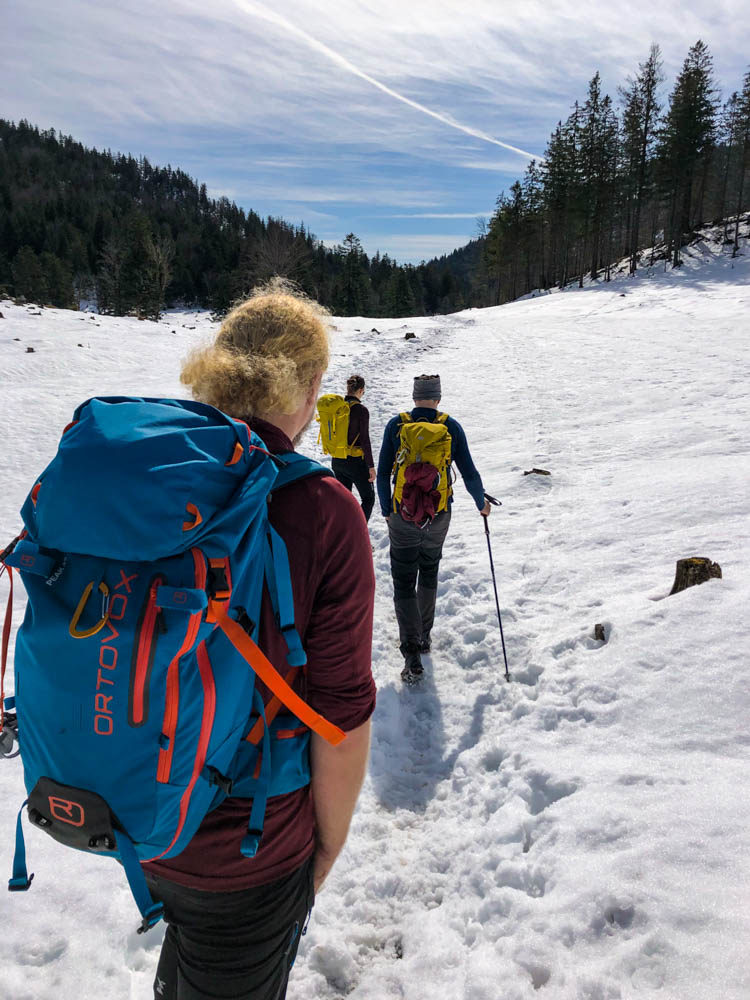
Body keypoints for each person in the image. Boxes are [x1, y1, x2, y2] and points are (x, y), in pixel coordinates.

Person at [143, 290, 376, 1000]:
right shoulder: (325, 511)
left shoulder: (158, 477)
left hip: (139, 808)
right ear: (309, 388)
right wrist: (327, 844)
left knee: (190, 955)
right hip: (252, 845)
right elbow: (339, 715)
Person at [377, 373, 490, 685]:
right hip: (438, 515)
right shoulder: (449, 426)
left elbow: (384, 470)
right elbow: (469, 471)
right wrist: (481, 502)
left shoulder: (397, 425)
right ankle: (424, 638)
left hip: (403, 514)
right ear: (437, 397)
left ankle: (411, 653)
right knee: (428, 570)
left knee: (403, 579)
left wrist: (387, 509)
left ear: (415, 398)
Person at [329, 374, 376, 523]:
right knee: (368, 499)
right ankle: (358, 536)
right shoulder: (361, 410)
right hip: (355, 462)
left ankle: (342, 538)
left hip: (337, 460)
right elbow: (365, 440)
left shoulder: (336, 408)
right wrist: (371, 466)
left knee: (343, 502)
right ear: (361, 390)